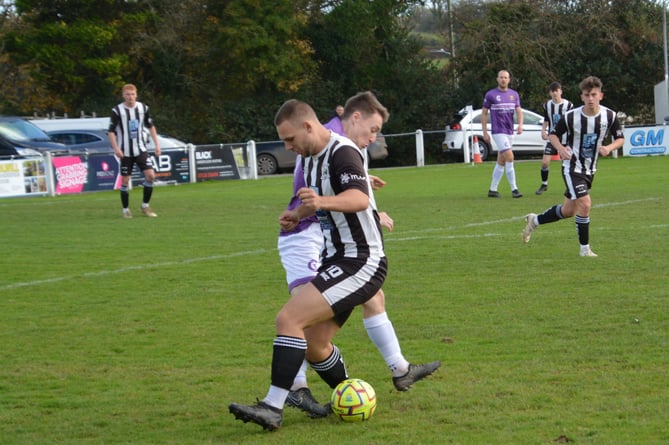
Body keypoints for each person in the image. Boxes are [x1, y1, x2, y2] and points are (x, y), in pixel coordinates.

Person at [278, 92, 440, 418]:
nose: (374, 137)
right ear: (356, 118)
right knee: (300, 318)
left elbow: (337, 189)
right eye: (373, 128)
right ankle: (295, 388)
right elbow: (311, 197)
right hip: (307, 238)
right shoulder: (317, 145)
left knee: (373, 296)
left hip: (337, 242)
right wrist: (352, 203)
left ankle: (399, 369)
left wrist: (362, 187)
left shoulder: (342, 148)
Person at [229, 99, 387, 431]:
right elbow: (317, 203)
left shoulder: (342, 152)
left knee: (289, 318)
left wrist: (321, 202)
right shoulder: (311, 158)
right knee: (315, 344)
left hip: (361, 260)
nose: (288, 147)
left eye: (289, 139)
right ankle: (349, 394)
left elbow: (359, 198)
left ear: (308, 126)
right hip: (340, 259)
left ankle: (272, 406)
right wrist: (297, 215)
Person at [522, 76, 624, 257]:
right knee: (585, 204)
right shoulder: (571, 117)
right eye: (587, 95)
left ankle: (534, 220)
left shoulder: (610, 116)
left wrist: (609, 147)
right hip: (572, 167)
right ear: (582, 97)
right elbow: (553, 135)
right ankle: (585, 249)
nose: (590, 98)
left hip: (590, 169)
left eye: (594, 94)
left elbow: (620, 138)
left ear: (601, 95)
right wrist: (560, 149)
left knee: (568, 210)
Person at [108, 83, 161, 218]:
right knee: (125, 181)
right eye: (127, 94)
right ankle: (126, 210)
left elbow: (151, 126)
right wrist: (116, 148)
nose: (130, 97)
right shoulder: (117, 111)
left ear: (136, 94)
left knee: (151, 176)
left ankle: (145, 206)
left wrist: (157, 144)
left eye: (132, 94)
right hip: (125, 151)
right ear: (123, 96)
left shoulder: (143, 108)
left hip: (141, 149)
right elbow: (111, 132)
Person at [481, 70, 524, 198]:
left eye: (505, 77)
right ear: (497, 79)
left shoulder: (514, 94)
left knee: (502, 160)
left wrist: (520, 125)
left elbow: (519, 111)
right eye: (501, 77)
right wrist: (485, 132)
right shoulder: (491, 95)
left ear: (509, 80)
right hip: (498, 131)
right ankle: (514, 189)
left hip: (509, 131)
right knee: (510, 157)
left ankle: (492, 189)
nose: (503, 79)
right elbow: (484, 113)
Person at [535, 82, 574, 195]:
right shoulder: (547, 105)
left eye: (557, 90)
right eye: (552, 91)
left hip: (566, 139)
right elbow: (546, 119)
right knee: (545, 162)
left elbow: (572, 120)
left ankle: (569, 186)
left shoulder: (568, 105)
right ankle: (544, 184)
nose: (555, 93)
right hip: (552, 138)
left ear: (561, 91)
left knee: (566, 164)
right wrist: (543, 131)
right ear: (550, 93)